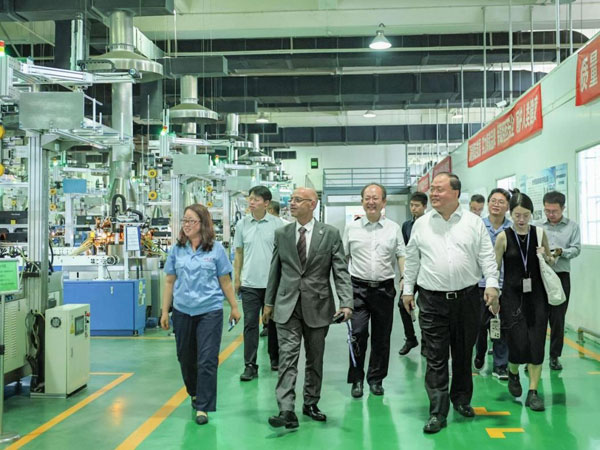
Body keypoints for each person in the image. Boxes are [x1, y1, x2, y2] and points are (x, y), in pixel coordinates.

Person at [402, 172, 499, 434]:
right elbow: (412, 260)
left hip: (467, 299)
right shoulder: (421, 224)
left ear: (455, 193)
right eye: (432, 189)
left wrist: (492, 284)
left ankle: (462, 400)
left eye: (439, 189)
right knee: (436, 357)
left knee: (463, 354)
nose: (433, 194)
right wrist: (407, 290)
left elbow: (487, 256)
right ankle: (437, 411)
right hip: (432, 300)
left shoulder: (473, 223)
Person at [263, 187, 353, 429]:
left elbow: (340, 271)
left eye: (297, 200)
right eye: (291, 200)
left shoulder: (330, 234)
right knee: (287, 358)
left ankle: (311, 403)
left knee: (315, 358)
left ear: (312, 204)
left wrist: (346, 302)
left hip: (318, 305)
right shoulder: (282, 233)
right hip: (287, 305)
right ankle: (286, 409)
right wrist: (269, 303)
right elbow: (275, 270)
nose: (291, 203)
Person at [161, 204, 241, 425]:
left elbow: (225, 281)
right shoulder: (177, 250)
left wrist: (234, 307)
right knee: (185, 358)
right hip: (182, 311)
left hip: (209, 311)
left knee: (207, 360)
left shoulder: (216, 250)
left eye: (191, 221)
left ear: (203, 224)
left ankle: (203, 407)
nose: (186, 225)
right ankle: (195, 393)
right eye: (185, 221)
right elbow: (169, 281)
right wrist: (164, 311)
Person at [343, 183, 405, 398]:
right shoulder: (352, 228)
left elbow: (401, 254)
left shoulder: (393, 228)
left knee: (381, 337)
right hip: (357, 289)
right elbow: (343, 258)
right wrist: (343, 291)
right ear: (362, 202)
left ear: (383, 202)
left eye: (375, 198)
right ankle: (357, 379)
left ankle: (376, 379)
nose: (371, 202)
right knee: (357, 334)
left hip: (384, 290)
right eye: (367, 198)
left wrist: (404, 278)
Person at [494, 190, 554, 412]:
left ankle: (533, 392)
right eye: (517, 215)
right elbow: (494, 268)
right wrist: (493, 294)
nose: (521, 220)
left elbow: (551, 260)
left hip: (537, 297)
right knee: (517, 343)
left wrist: (545, 255)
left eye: (526, 215)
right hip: (512, 297)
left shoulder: (539, 233)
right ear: (510, 214)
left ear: (531, 214)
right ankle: (512, 372)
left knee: (537, 343)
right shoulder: (503, 237)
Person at [234, 186, 283, 380]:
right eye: (250, 199)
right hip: (249, 284)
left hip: (273, 283)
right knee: (250, 325)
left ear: (266, 203)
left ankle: (275, 358)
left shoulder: (278, 224)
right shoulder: (242, 224)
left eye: (255, 199)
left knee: (273, 324)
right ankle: (250, 364)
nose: (251, 202)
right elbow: (239, 252)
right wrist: (237, 278)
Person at [473, 189, 511, 380]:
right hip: (480, 284)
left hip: (505, 285)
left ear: (508, 206)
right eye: (493, 201)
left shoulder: (512, 229)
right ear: (488, 204)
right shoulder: (477, 226)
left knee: (501, 325)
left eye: (501, 202)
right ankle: (480, 352)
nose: (497, 205)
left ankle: (500, 365)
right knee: (479, 325)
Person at [541, 191, 581, 371]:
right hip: (541, 277)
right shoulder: (538, 226)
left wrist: (561, 252)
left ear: (563, 208)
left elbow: (576, 249)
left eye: (554, 211)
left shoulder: (572, 227)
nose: (550, 214)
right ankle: (534, 357)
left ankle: (554, 356)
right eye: (547, 210)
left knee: (558, 319)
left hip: (561, 276)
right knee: (538, 318)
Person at [398, 191, 427, 356]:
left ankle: (426, 342)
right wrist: (403, 276)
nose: (413, 208)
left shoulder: (429, 225)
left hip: (427, 272)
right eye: (411, 205)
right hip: (412, 271)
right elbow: (405, 251)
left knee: (425, 307)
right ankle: (410, 338)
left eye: (417, 206)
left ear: (424, 207)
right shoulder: (406, 226)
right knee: (402, 304)